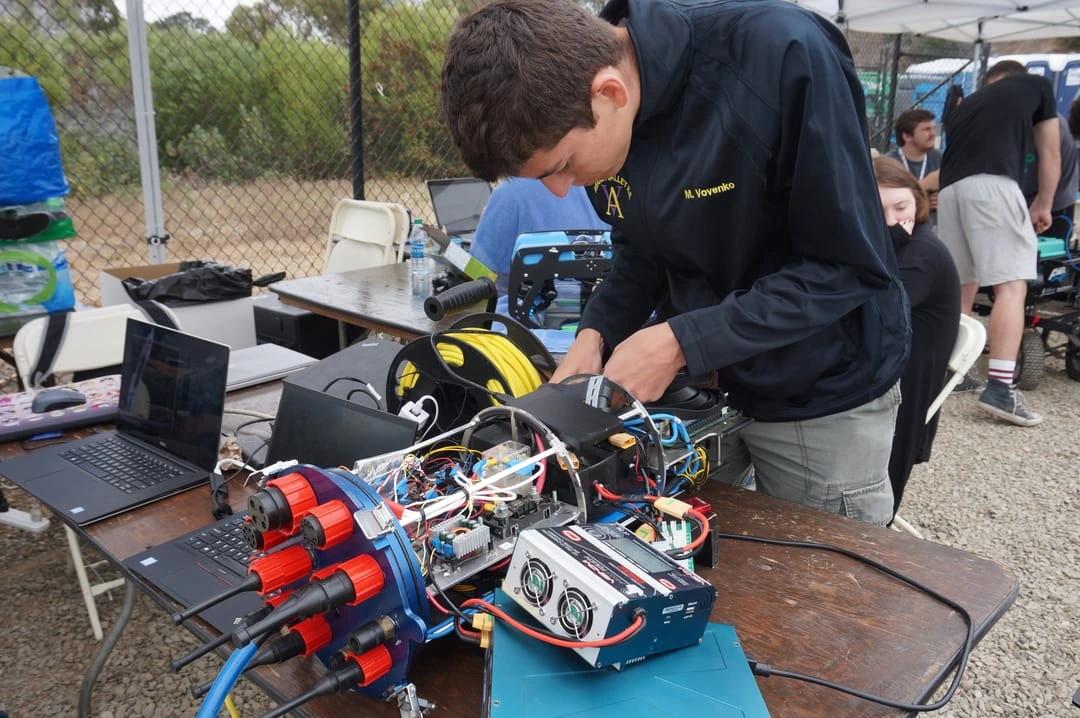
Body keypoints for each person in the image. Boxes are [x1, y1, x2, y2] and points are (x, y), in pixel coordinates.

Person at [441, 0, 910, 524]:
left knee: (823, 587)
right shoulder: (605, 112)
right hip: (717, 386)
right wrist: (595, 333)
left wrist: (679, 341)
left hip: (822, 387)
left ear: (610, 93)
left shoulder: (780, 55)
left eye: (565, 166)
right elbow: (642, 248)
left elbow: (848, 267)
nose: (561, 189)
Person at [937, 59, 1059, 427]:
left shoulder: (965, 106)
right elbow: (1050, 151)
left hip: (951, 191)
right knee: (1011, 285)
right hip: (994, 185)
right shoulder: (1035, 85)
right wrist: (1044, 202)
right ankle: (1001, 388)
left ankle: (952, 370)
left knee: (961, 285)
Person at [874, 157, 960, 516]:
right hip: (897, 371)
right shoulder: (906, 245)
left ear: (918, 202)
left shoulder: (920, 252)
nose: (892, 219)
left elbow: (878, 316)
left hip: (906, 389)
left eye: (901, 206)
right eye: (879, 210)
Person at [470, 177, 609, 290]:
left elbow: (479, 275)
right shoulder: (607, 185)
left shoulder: (510, 191)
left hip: (526, 316)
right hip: (603, 310)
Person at [1020, 110, 1078, 241]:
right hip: (1028, 200)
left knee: (1051, 252)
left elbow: (1052, 159)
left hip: (1055, 203)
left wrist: (1043, 205)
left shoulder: (1049, 124)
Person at [886, 109, 943, 221]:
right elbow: (889, 200)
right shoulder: (890, 163)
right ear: (907, 136)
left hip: (932, 229)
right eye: (926, 129)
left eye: (933, 128)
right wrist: (925, 185)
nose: (933, 134)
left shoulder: (939, 158)